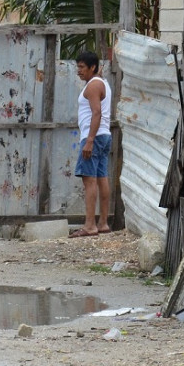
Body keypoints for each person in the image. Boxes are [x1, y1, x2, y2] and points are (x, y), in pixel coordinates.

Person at [70, 50, 113, 238]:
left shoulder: (93, 86)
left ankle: (90, 225)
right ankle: (102, 223)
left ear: (92, 67)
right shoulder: (101, 83)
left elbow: (96, 113)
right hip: (104, 136)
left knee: (89, 181)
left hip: (93, 137)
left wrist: (89, 141)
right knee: (101, 177)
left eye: (81, 67)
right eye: (77, 66)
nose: (78, 71)